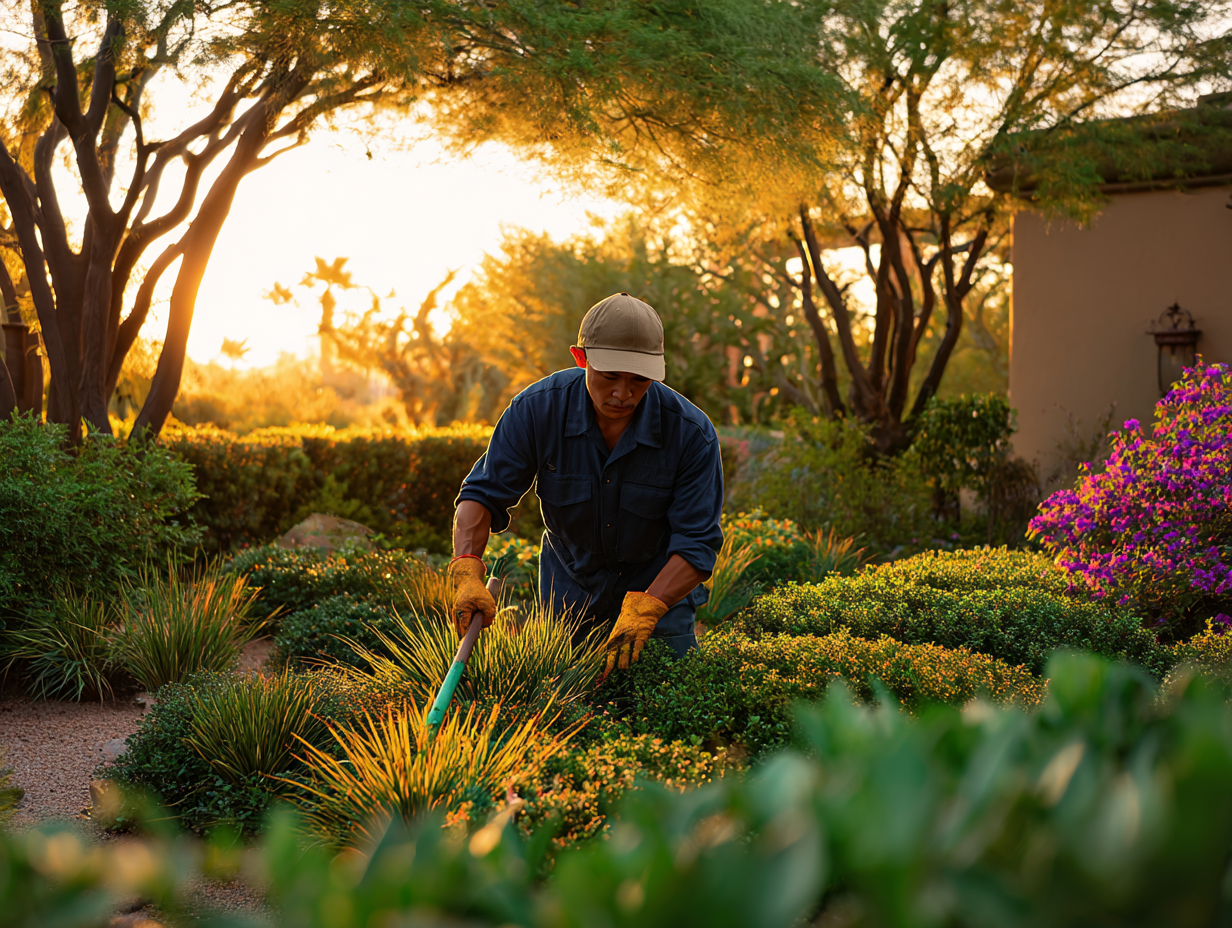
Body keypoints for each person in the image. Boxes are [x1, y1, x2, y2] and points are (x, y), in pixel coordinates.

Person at [449, 292, 724, 677]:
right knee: (563, 710)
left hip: (658, 599)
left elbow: (696, 543)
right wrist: (466, 568)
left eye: (639, 380)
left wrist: (648, 606)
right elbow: (482, 493)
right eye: (610, 376)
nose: (623, 393)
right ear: (581, 358)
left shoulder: (691, 435)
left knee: (667, 707)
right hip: (568, 594)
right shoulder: (536, 411)